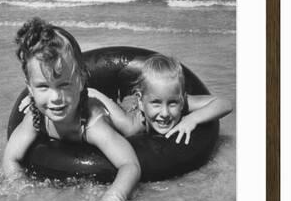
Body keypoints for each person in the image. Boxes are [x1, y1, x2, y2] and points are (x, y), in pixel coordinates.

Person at [3, 17, 141, 201]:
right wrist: (18, 184)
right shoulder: (36, 117)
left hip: (96, 107)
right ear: (30, 89)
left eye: (64, 84)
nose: (55, 97)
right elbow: (11, 156)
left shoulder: (93, 124)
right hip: (79, 97)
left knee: (131, 128)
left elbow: (130, 165)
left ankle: (101, 95)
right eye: (43, 86)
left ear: (80, 80)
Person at [88, 53, 233, 144]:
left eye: (172, 103)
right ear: (141, 102)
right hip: (126, 108)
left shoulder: (183, 102)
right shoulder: (131, 125)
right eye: (156, 103)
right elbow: (99, 98)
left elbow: (225, 104)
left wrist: (192, 119)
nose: (164, 113)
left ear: (182, 100)